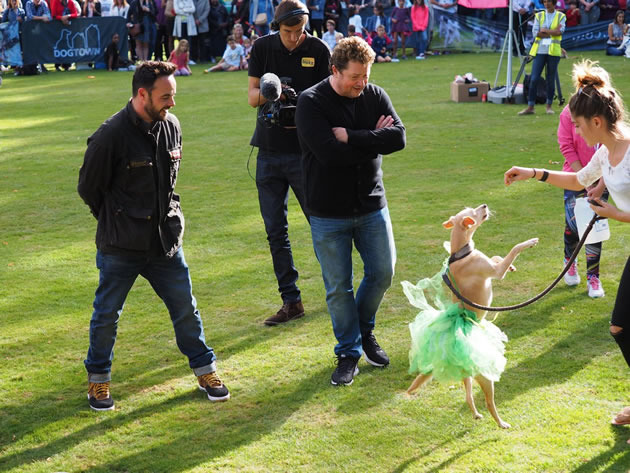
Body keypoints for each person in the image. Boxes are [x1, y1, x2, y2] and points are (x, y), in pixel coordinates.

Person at [77, 61, 230, 411]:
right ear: (142, 94)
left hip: (165, 242)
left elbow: (170, 183)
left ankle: (205, 370)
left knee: (185, 309)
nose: (172, 104)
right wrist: (116, 220)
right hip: (121, 246)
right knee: (106, 315)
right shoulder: (109, 135)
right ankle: (98, 381)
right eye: (165, 97)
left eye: (173, 96)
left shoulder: (171, 126)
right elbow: (89, 189)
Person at [504, 60, 630, 440]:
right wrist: (532, 172)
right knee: (620, 327)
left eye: (576, 124)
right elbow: (578, 179)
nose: (573, 131)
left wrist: (617, 215)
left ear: (595, 120)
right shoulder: (606, 153)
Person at [295, 36, 406, 386]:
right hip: (328, 212)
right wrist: (374, 138)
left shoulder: (374, 95)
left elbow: (399, 138)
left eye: (366, 75)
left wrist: (354, 137)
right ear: (335, 70)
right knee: (338, 287)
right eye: (355, 76)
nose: (362, 83)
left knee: (383, 272)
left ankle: (363, 330)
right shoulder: (311, 103)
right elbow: (329, 154)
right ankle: (348, 352)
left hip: (373, 205)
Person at [247, 0, 331, 326]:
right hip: (267, 151)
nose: (295, 37)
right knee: (275, 231)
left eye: (299, 31)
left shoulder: (319, 49)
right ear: (276, 27)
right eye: (288, 31)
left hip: (304, 151)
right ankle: (290, 300)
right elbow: (251, 96)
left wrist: (303, 99)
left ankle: (339, 290)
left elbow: (330, 95)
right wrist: (274, 92)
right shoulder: (262, 47)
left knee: (322, 224)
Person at [557, 103, 607, 297]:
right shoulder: (567, 113)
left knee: (595, 227)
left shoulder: (604, 112)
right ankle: (569, 260)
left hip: (601, 179)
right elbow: (566, 146)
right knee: (573, 225)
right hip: (574, 176)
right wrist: (584, 178)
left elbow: (611, 150)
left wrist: (601, 183)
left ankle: (593, 277)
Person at [518, 0, 566, 116]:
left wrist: (545, 31)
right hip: (540, 51)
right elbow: (536, 33)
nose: (546, 3)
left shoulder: (561, 16)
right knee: (534, 78)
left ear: (554, 3)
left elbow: (560, 32)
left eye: (548, 1)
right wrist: (552, 32)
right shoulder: (539, 15)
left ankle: (548, 106)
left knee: (550, 79)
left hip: (553, 52)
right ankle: (530, 106)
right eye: (544, 1)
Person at [24, 0, 51, 73]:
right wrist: (42, 18)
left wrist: (46, 17)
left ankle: (41, 65)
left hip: (40, 31)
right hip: (29, 32)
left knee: (41, 48)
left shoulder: (43, 3)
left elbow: (48, 16)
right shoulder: (29, 3)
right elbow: (30, 16)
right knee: (32, 49)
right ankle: (33, 67)